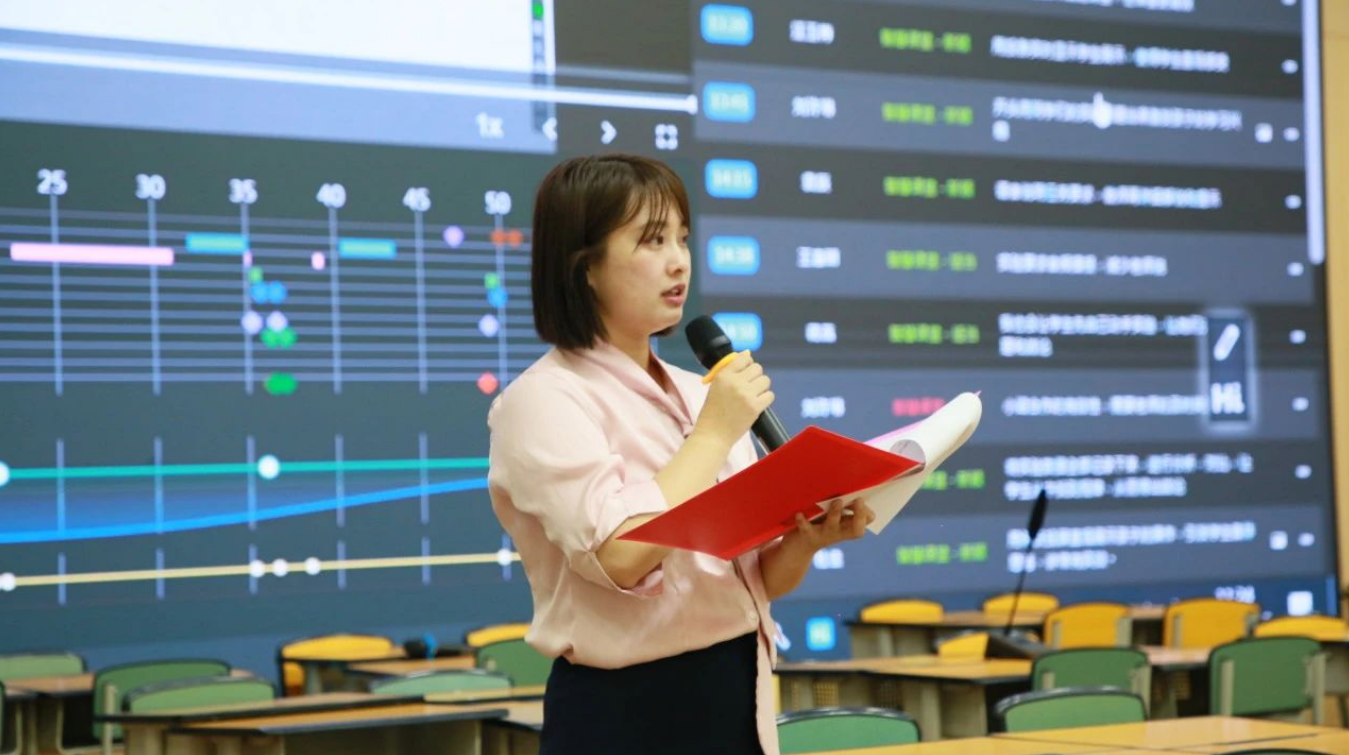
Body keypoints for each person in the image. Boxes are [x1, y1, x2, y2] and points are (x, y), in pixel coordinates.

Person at [487, 154, 875, 755]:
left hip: (735, 689)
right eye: (652, 240)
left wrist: (804, 540)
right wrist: (714, 435)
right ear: (585, 268)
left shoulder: (702, 394)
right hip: (626, 711)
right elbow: (619, 555)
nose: (678, 261)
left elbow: (751, 581)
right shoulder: (544, 399)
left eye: (682, 239)